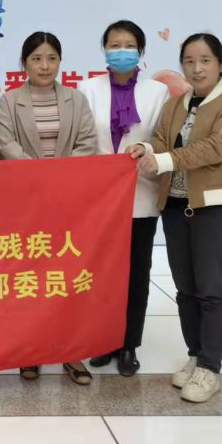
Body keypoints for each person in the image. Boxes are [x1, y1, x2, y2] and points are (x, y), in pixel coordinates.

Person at [130, 33, 222, 403]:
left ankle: (210, 368)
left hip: (216, 208)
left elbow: (214, 149)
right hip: (175, 206)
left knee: (212, 289)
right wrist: (145, 148)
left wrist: (164, 160)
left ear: (221, 64)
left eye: (205, 60)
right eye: (189, 61)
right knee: (186, 289)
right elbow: (162, 140)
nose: (197, 68)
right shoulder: (176, 104)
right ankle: (196, 355)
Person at [0, 31, 98, 384]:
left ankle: (72, 353)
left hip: (69, 203)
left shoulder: (76, 100)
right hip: (26, 202)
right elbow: (4, 143)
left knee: (67, 277)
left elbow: (87, 143)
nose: (44, 65)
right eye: (36, 58)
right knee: (30, 277)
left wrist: (60, 178)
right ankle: (31, 350)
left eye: (51, 58)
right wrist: (41, 177)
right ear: (24, 63)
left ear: (60, 62)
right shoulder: (9, 101)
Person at [81, 20, 168, 377]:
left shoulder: (157, 92)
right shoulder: (88, 88)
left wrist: (145, 147)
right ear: (104, 50)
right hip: (99, 198)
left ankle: (129, 343)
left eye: (129, 45)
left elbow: (162, 137)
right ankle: (104, 339)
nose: (121, 51)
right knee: (102, 273)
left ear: (141, 51)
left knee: (136, 272)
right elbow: (84, 139)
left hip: (140, 193)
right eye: (114, 45)